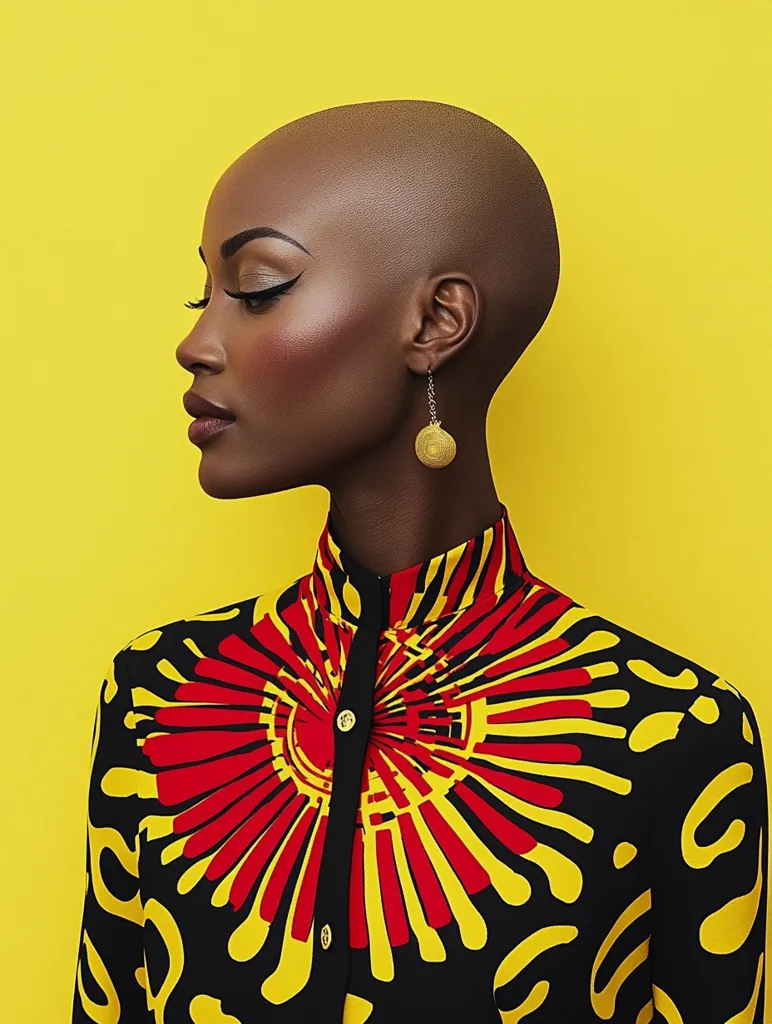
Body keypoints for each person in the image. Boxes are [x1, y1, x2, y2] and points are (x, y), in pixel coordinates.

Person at [72, 100, 767, 1024]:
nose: (198, 342)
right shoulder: (157, 695)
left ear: (438, 322)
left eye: (260, 287)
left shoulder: (675, 737)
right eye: (204, 296)